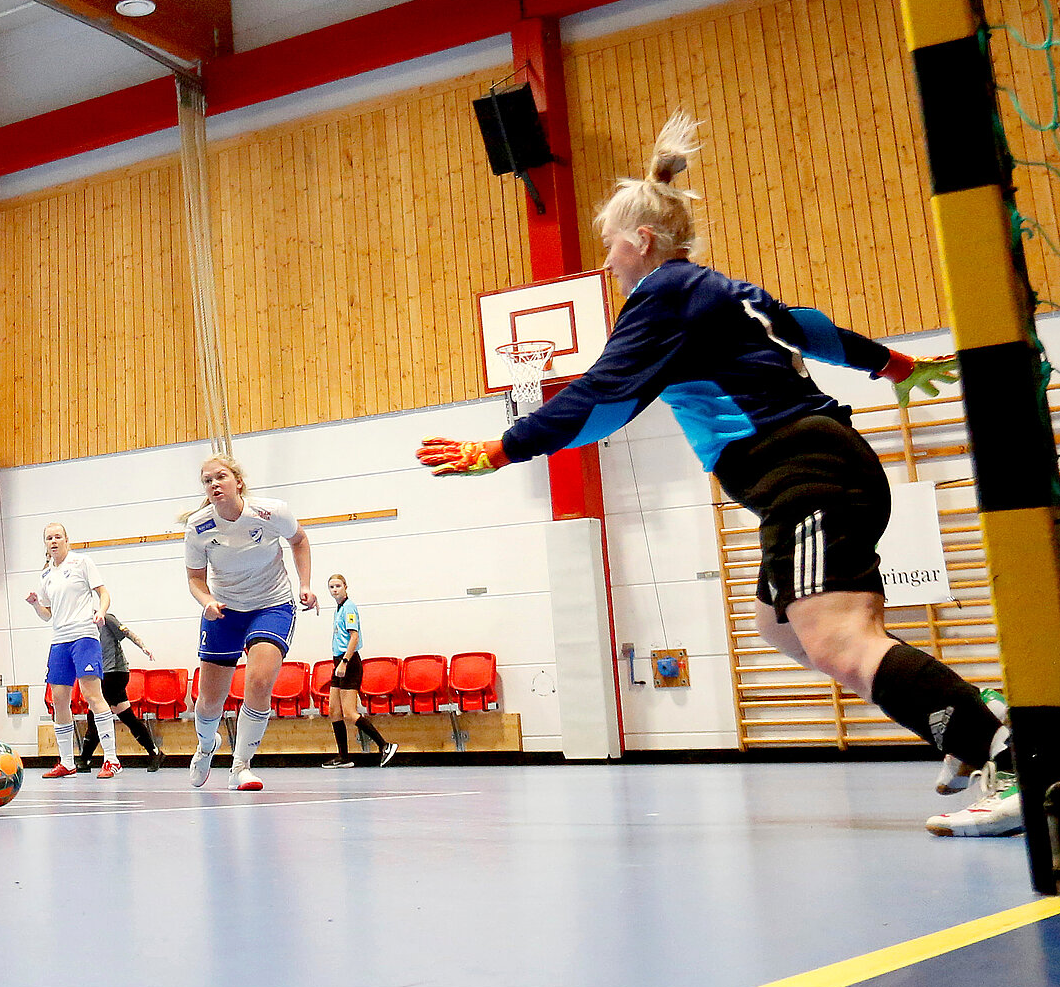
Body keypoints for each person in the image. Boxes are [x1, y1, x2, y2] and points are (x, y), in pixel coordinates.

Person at [416, 112, 1018, 838]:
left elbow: (604, 400)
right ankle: (961, 709)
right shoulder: (722, 291)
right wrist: (891, 365)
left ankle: (1010, 753)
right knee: (778, 628)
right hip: (813, 467)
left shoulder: (663, 296)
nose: (606, 263)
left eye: (610, 246)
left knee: (836, 641)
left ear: (639, 241)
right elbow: (811, 325)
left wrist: (501, 448)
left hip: (803, 471)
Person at [183, 452, 317, 791]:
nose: (214, 484)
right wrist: (207, 600)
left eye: (220, 477)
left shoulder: (271, 512)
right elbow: (195, 579)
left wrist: (305, 585)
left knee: (258, 682)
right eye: (207, 480)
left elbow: (299, 541)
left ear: (238, 481)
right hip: (225, 611)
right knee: (210, 699)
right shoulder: (198, 527)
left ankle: (241, 765)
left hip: (271, 604)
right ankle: (205, 746)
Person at [26, 523, 124, 778]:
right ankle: (67, 761)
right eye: (49, 538)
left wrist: (101, 612)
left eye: (58, 536)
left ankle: (112, 759)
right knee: (59, 700)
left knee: (93, 696)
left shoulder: (82, 562)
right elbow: (47, 615)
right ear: (45, 544)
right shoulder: (46, 575)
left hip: (84, 636)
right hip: (60, 641)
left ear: (67, 540)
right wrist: (36, 605)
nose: (54, 541)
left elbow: (103, 593)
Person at [322, 574, 396, 769]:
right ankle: (343, 756)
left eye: (338, 586)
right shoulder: (338, 609)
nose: (335, 589)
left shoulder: (349, 608)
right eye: (331, 587)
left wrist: (345, 662)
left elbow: (354, 637)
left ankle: (385, 745)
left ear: (346, 586)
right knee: (334, 711)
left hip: (349, 662)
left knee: (349, 712)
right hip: (337, 661)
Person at [77, 612, 164, 772]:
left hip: (115, 672)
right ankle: (154, 752)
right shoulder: (82, 626)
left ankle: (84, 759)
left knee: (95, 713)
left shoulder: (105, 618)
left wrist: (143, 646)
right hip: (102, 673)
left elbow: (126, 632)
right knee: (126, 716)